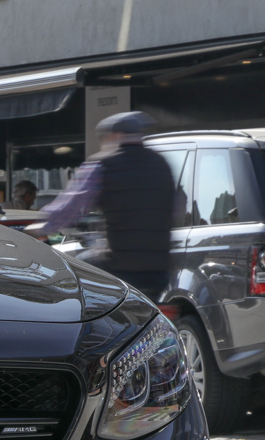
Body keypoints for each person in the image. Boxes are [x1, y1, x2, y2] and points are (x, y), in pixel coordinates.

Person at [26, 111, 174, 300]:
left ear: (116, 135)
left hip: (121, 266)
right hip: (159, 272)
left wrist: (40, 227)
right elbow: (177, 207)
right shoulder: (161, 164)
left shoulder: (103, 164)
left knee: (76, 265)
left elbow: (71, 207)